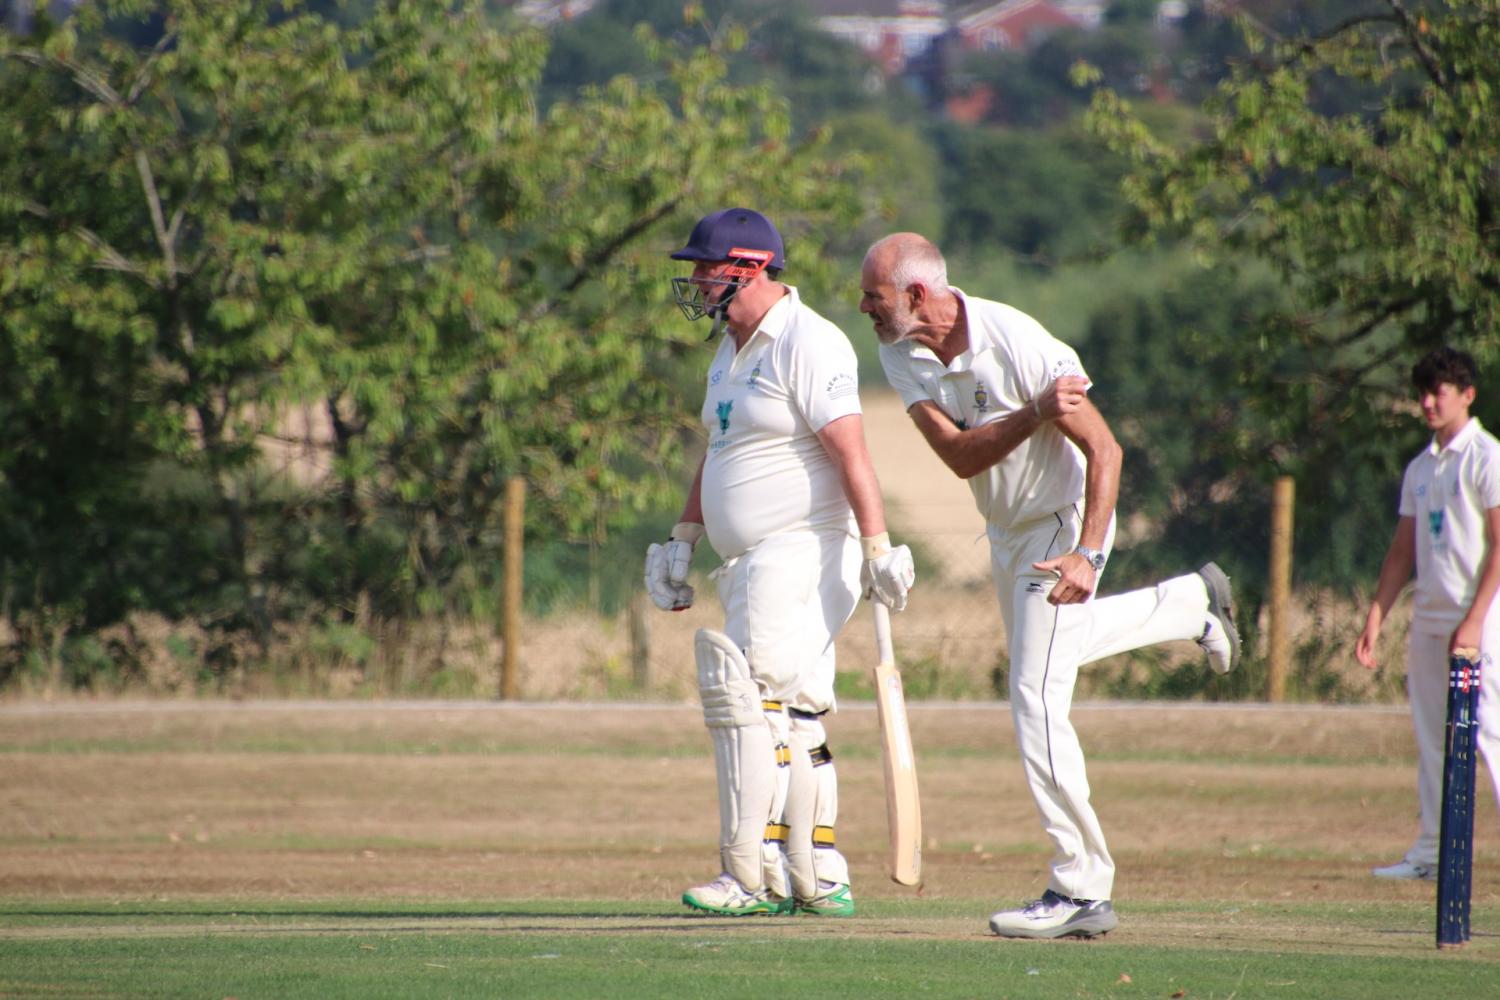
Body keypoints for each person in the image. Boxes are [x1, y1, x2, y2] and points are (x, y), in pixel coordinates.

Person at [859, 232, 1242, 940]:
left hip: (1062, 524)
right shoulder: (898, 351)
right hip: (1006, 530)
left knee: (1035, 697)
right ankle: (1189, 603)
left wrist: (1089, 554)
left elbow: (1105, 448)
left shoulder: (1020, 341)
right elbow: (958, 457)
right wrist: (1032, 413)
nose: (864, 308)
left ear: (915, 295)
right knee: (1051, 661)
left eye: (874, 296)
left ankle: (1081, 886)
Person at [643, 207, 918, 917]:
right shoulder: (729, 349)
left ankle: (748, 874)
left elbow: (851, 451)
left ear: (750, 267)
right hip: (751, 559)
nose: (698, 280)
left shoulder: (808, 339)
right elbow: (722, 448)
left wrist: (878, 546)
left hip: (803, 545)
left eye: (707, 267)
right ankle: (816, 871)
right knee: (795, 712)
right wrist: (683, 535)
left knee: (749, 700)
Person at [1356, 346, 1500, 880]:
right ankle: (1432, 854)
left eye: (1438, 391)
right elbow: (1402, 551)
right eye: (1422, 392)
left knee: (1489, 731)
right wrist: (1376, 615)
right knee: (1432, 735)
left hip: (1481, 616)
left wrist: (1476, 619)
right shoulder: (1422, 466)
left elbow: (1499, 545)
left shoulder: (1487, 457)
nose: (1427, 402)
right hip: (1431, 617)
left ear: (1467, 395)